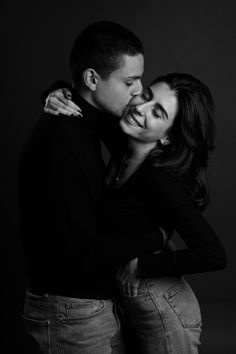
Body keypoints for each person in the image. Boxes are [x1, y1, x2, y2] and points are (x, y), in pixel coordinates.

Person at [44, 72, 227, 353]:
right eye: (146, 95)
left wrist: (141, 266)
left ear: (167, 137)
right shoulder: (122, 141)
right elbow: (84, 100)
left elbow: (214, 253)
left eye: (157, 112)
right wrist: (57, 93)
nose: (139, 109)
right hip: (128, 306)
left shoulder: (160, 180)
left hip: (165, 310)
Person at [18, 21, 168, 354]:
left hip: (93, 305)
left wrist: (57, 89)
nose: (139, 90)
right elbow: (80, 253)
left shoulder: (91, 121)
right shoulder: (61, 140)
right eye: (129, 81)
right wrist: (158, 237)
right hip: (71, 312)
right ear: (91, 78)